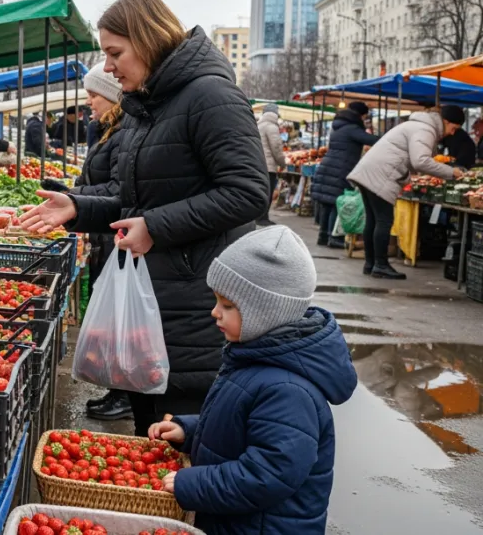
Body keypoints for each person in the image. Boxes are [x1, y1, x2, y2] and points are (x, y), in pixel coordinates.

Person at [18, 0, 269, 435]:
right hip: (157, 303)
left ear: (149, 39)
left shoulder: (211, 95)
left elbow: (248, 192)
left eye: (116, 53)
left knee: (180, 447)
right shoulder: (146, 106)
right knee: (150, 442)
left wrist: (155, 226)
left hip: (196, 306)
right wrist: (77, 207)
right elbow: (135, 199)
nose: (109, 68)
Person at [151, 225, 356, 535]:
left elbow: (270, 474)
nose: (214, 313)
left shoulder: (287, 389)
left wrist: (193, 483)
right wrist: (190, 431)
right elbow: (241, 427)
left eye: (228, 306)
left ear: (266, 313)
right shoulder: (255, 357)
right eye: (217, 301)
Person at [70, 68, 132, 421]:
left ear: (112, 96)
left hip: (116, 236)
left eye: (94, 94)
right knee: (111, 316)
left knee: (119, 318)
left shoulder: (123, 135)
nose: (88, 101)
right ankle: (117, 388)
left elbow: (117, 190)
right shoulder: (110, 132)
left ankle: (123, 391)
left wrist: (74, 196)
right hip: (105, 235)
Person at [348, 104, 465, 280]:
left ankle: (371, 264)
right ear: (445, 121)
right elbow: (420, 161)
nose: (453, 132)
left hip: (370, 171)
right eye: (453, 128)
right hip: (382, 174)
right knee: (384, 220)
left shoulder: (418, 125)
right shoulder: (426, 129)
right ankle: (380, 265)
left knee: (373, 219)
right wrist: (450, 172)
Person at [310, 102, 378, 248]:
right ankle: (334, 237)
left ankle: (323, 236)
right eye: (365, 116)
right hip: (341, 167)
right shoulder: (352, 128)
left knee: (328, 204)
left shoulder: (338, 127)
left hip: (330, 165)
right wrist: (389, 138)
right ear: (360, 114)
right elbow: (371, 140)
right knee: (337, 202)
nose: (365, 119)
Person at [257, 104, 287, 227]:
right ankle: (263, 218)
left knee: (261, 191)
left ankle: (259, 216)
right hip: (269, 166)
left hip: (258, 164)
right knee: (268, 192)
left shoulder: (259, 125)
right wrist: (282, 163)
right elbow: (276, 147)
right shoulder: (271, 127)